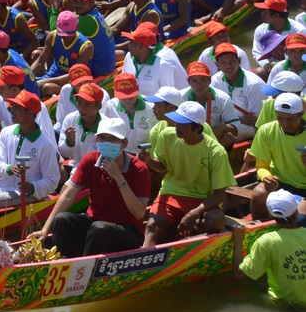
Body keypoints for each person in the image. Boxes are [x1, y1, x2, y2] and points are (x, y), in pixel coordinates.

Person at [34, 117, 150, 257]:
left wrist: (119, 178)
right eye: (102, 138)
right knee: (62, 220)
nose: (106, 143)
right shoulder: (90, 160)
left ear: (124, 143)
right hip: (95, 221)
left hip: (126, 228)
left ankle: (83, 266)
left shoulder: (139, 169)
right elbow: (68, 195)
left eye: (112, 139)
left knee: (99, 229)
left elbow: (139, 213)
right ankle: (64, 262)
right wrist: (46, 228)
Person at [142, 100, 232, 246]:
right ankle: (149, 253)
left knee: (216, 220)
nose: (176, 126)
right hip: (171, 194)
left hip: (201, 199)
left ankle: (179, 234)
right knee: (151, 227)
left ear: (198, 127)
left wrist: (195, 212)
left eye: (182, 123)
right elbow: (162, 166)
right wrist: (149, 161)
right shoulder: (166, 135)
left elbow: (219, 195)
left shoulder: (216, 152)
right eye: (176, 121)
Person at [233, 189, 306, 310]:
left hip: (282, 306)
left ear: (270, 215)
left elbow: (239, 275)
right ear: (296, 213)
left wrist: (238, 240)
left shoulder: (267, 241)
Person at [0, 90, 61, 207]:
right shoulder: (6, 132)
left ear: (30, 114)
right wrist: (10, 169)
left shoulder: (45, 145)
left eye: (17, 108)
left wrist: (32, 187)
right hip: (2, 185)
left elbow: (52, 180)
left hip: (24, 193)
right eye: (12, 106)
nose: (12, 111)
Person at [248, 93, 306, 220]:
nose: (284, 123)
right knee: (258, 195)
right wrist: (266, 177)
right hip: (280, 183)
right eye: (280, 118)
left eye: (289, 119)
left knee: (300, 220)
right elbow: (262, 166)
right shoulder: (266, 130)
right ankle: (259, 227)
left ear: (301, 114)